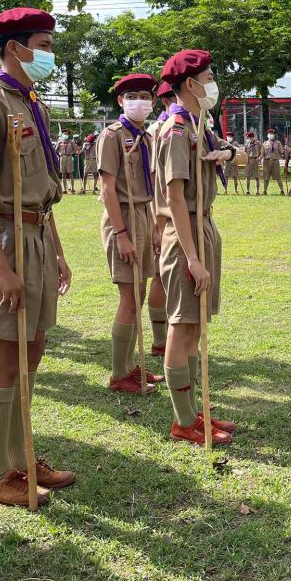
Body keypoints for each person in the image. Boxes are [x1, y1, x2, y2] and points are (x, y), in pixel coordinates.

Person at [0, 6, 74, 507]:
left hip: (38, 236)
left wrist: (59, 253)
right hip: (6, 240)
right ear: (13, 48)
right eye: (43, 45)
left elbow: (43, 192)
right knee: (5, 357)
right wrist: (0, 266)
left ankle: (22, 455)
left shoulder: (33, 105)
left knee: (34, 349)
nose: (50, 55)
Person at [153, 49, 245, 445]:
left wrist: (227, 152)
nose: (212, 84)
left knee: (195, 326)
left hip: (204, 226)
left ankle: (194, 412)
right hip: (185, 233)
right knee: (182, 326)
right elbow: (174, 199)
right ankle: (183, 421)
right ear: (190, 84)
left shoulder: (198, 125)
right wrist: (192, 259)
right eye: (208, 77)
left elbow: (235, 152)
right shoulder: (176, 129)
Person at [98, 73, 163, 394]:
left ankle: (129, 366)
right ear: (121, 101)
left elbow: (149, 187)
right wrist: (122, 235)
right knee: (129, 297)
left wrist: (152, 228)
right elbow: (107, 189)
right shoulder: (111, 136)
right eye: (133, 95)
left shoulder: (146, 136)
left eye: (146, 96)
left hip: (143, 215)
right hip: (122, 217)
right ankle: (118, 373)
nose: (142, 101)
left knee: (138, 294)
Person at [145, 81, 176, 357]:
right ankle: (159, 340)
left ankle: (169, 337)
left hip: (177, 214)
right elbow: (153, 178)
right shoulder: (158, 130)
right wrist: (156, 220)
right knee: (159, 275)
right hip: (163, 214)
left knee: (171, 277)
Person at [261, 128, 285, 195]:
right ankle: (264, 191)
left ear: (275, 135)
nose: (271, 135)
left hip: (275, 162)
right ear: (268, 135)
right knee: (266, 177)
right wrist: (258, 159)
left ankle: (282, 191)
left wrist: (285, 150)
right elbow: (262, 154)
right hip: (266, 162)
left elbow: (281, 152)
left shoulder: (278, 143)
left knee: (278, 177)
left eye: (272, 134)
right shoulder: (265, 143)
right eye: (270, 134)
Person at [221, 130, 242, 194]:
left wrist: (236, 160)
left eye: (230, 136)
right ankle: (225, 190)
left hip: (234, 162)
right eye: (228, 136)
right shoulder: (224, 143)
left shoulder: (235, 144)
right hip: (227, 162)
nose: (229, 137)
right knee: (226, 176)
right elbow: (222, 152)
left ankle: (236, 190)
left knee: (235, 176)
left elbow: (239, 152)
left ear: (232, 137)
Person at [243, 130, 261, 195]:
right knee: (247, 176)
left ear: (253, 137)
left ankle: (257, 191)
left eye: (250, 137)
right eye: (248, 138)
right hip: (248, 161)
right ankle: (247, 191)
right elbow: (244, 153)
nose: (249, 139)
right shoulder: (246, 144)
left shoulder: (258, 143)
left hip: (255, 160)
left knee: (257, 177)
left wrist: (259, 159)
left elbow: (261, 152)